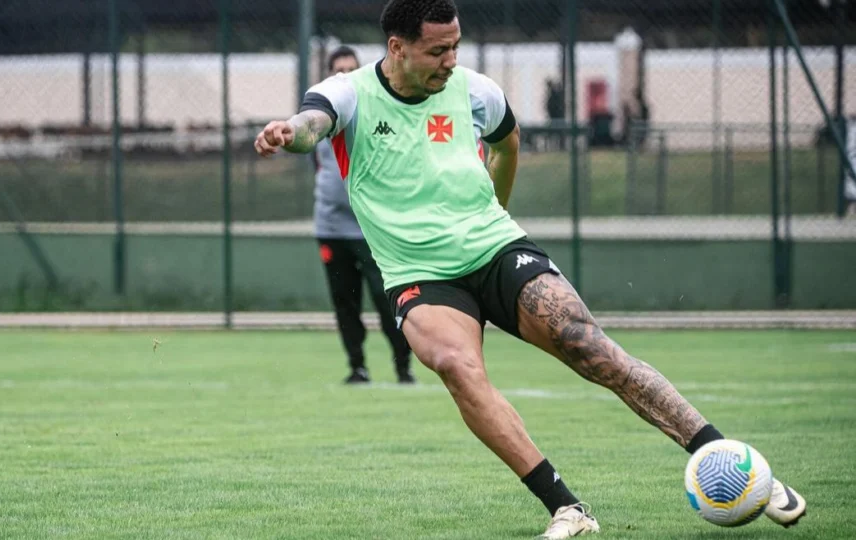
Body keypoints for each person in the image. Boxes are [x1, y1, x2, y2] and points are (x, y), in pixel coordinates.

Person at [254, 1, 807, 537]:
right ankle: (568, 508)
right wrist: (289, 132)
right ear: (397, 48)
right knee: (455, 364)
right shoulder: (350, 93)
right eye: (438, 51)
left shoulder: (474, 90)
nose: (451, 60)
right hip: (419, 273)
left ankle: (738, 464)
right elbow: (312, 122)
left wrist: (497, 211)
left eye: (456, 47)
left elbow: (507, 142)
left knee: (588, 344)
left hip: (496, 247)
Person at [313, 46, 414, 385]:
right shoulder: (319, 114)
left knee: (387, 301)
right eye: (337, 69)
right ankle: (357, 367)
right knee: (345, 303)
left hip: (371, 229)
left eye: (350, 69)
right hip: (331, 228)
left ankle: (403, 366)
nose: (343, 75)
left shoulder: (374, 109)